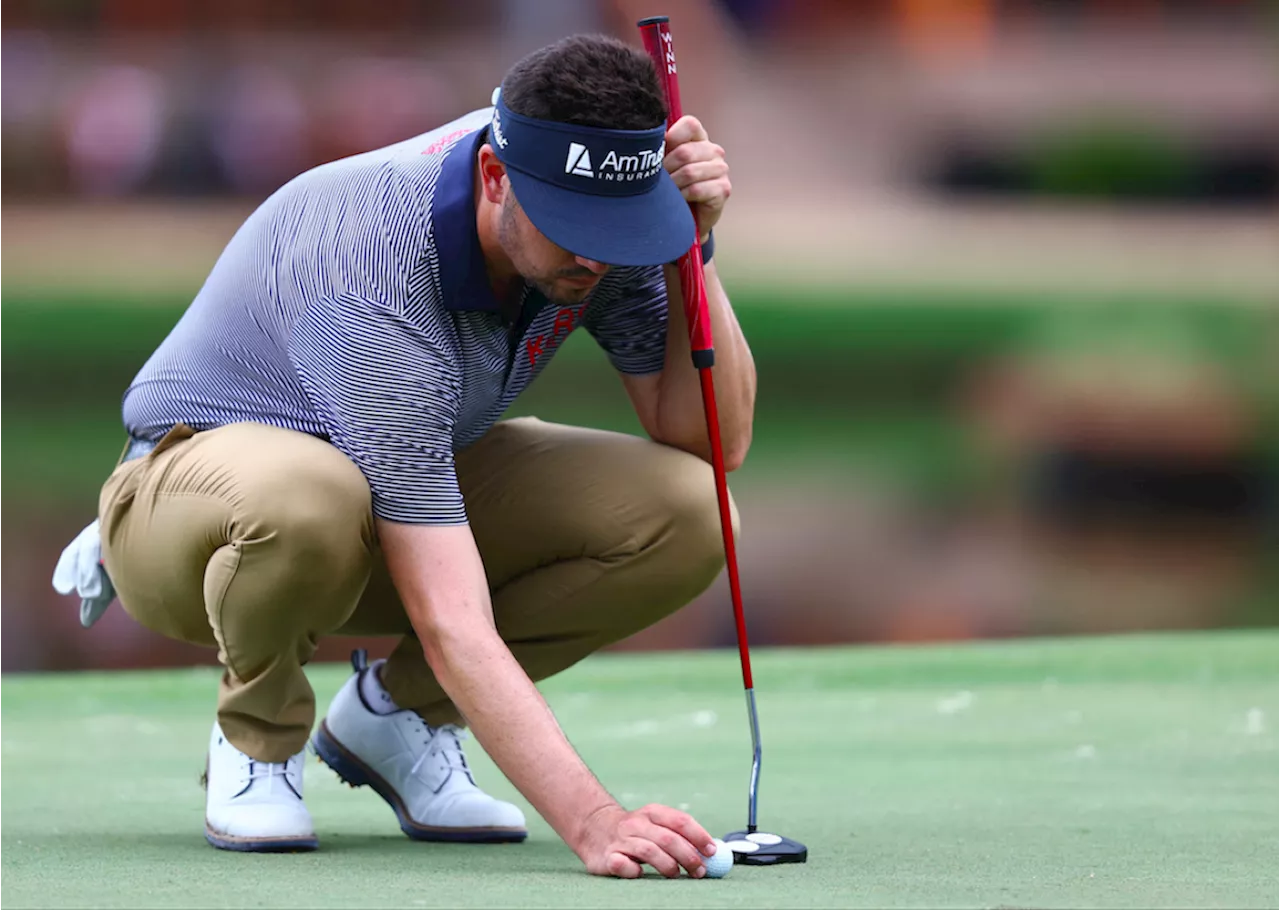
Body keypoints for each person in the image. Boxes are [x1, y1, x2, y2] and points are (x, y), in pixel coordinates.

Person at [51, 33, 755, 879]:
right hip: (184, 503)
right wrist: (597, 822)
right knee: (307, 495)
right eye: (574, 228)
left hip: (376, 484)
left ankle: (397, 719)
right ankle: (258, 737)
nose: (596, 256)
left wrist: (689, 252)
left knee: (688, 508)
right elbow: (447, 613)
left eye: (620, 227)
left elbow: (712, 438)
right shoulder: (375, 266)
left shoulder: (598, 211)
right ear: (495, 179)